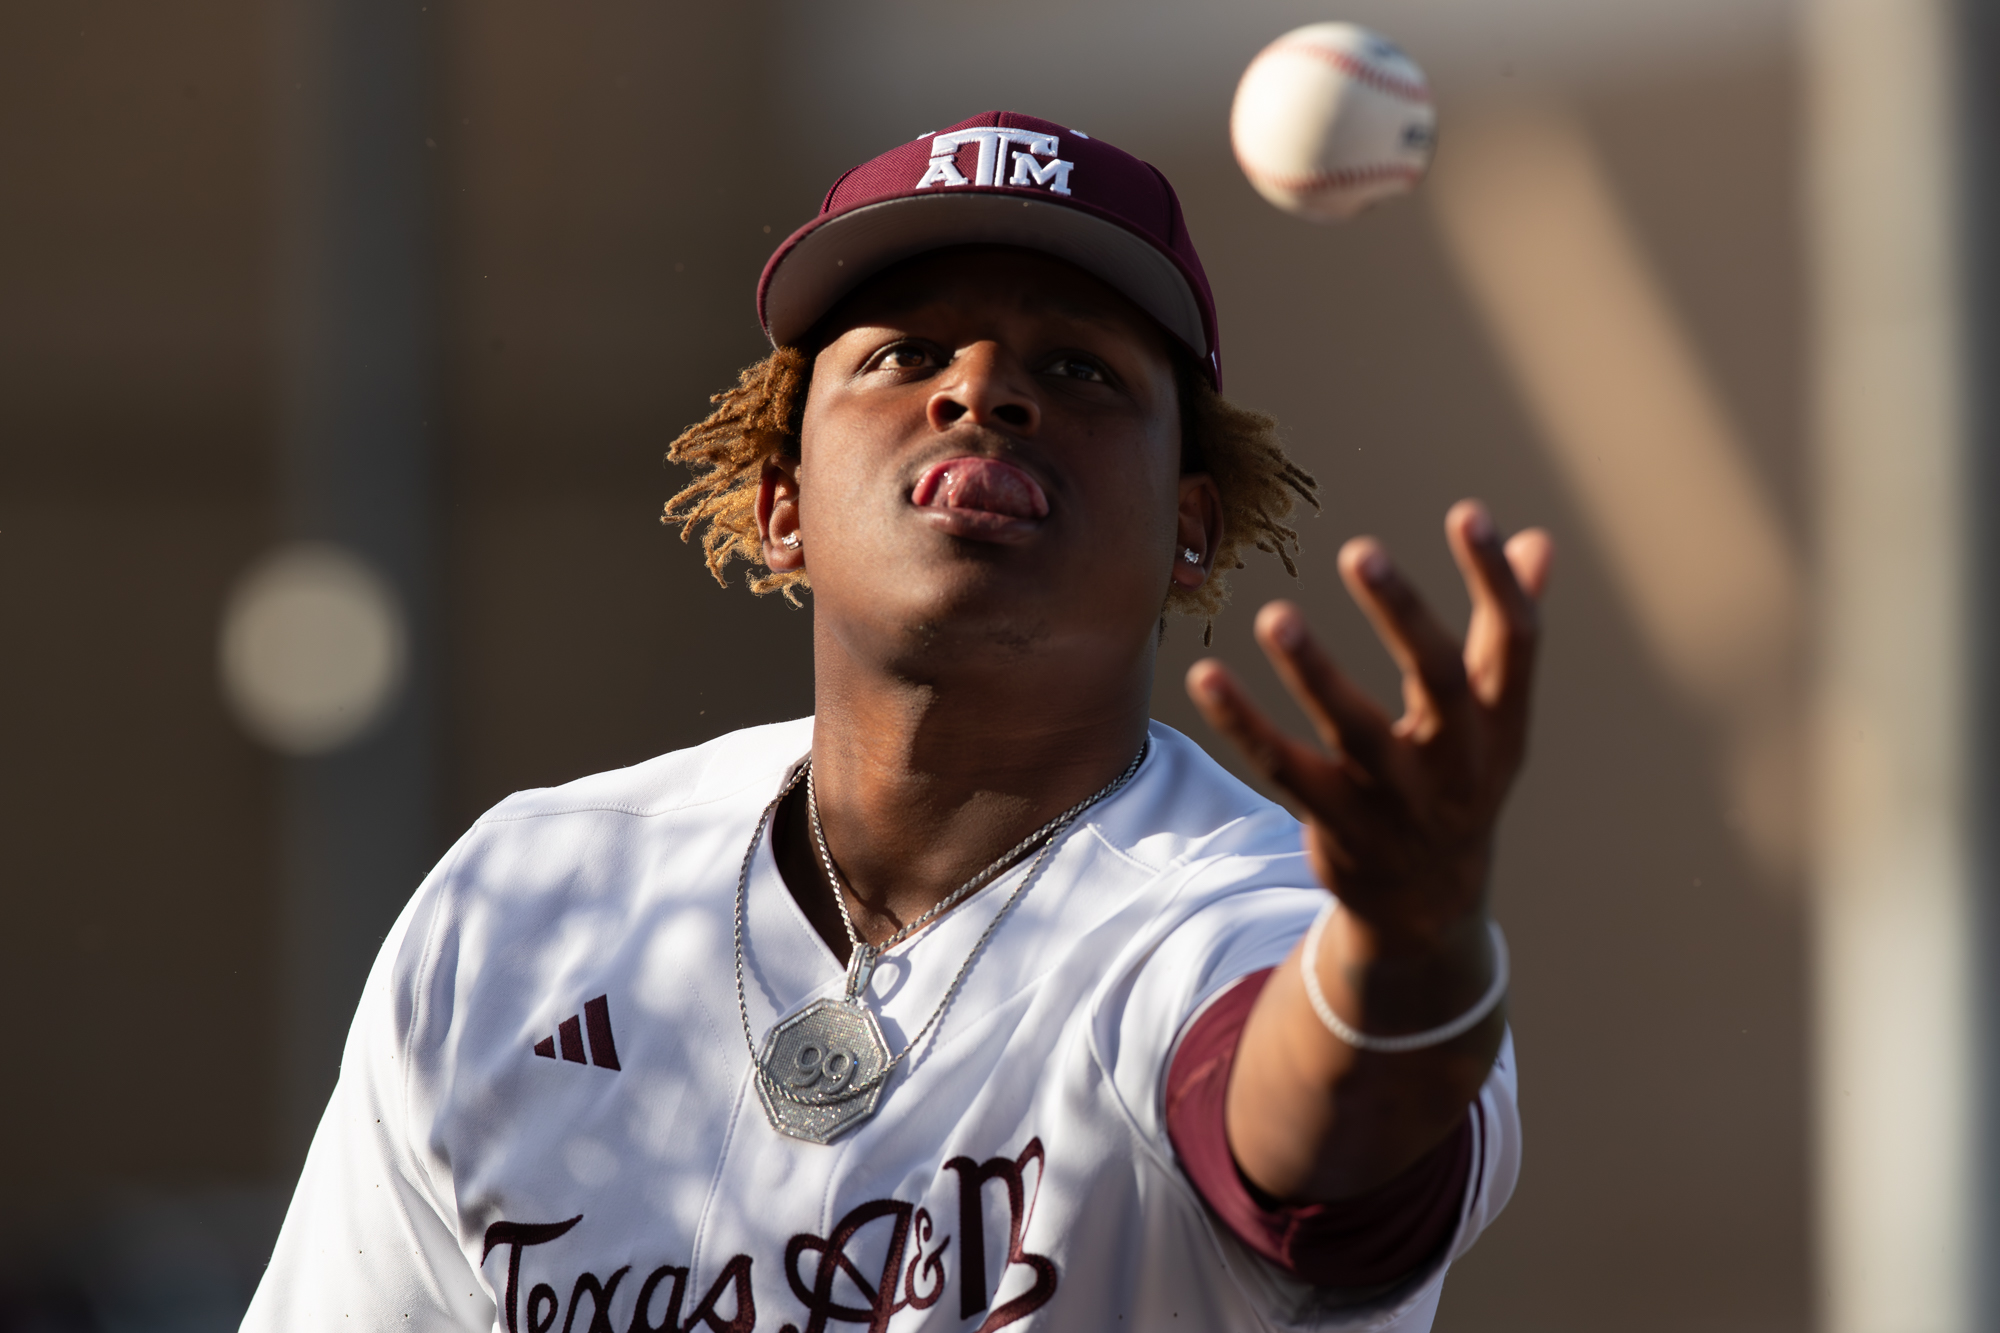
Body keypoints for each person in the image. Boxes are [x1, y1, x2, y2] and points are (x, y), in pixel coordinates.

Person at [243, 110, 1551, 1333]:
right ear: (782, 506)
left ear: (1191, 529)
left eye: (1080, 367)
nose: (983, 394)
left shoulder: (1239, 910)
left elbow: (1319, 1157)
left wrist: (1406, 948)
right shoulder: (531, 895)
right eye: (904, 356)